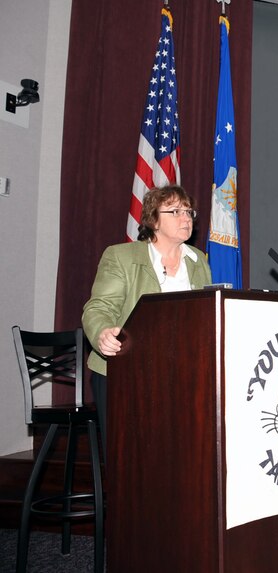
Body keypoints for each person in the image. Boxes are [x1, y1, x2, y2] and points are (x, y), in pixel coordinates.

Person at [82, 185, 213, 453]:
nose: (186, 217)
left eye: (189, 211)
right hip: (125, 370)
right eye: (175, 211)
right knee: (129, 458)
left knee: (176, 453)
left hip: (183, 372)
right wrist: (102, 333)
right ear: (153, 220)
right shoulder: (121, 256)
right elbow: (99, 307)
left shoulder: (198, 260)